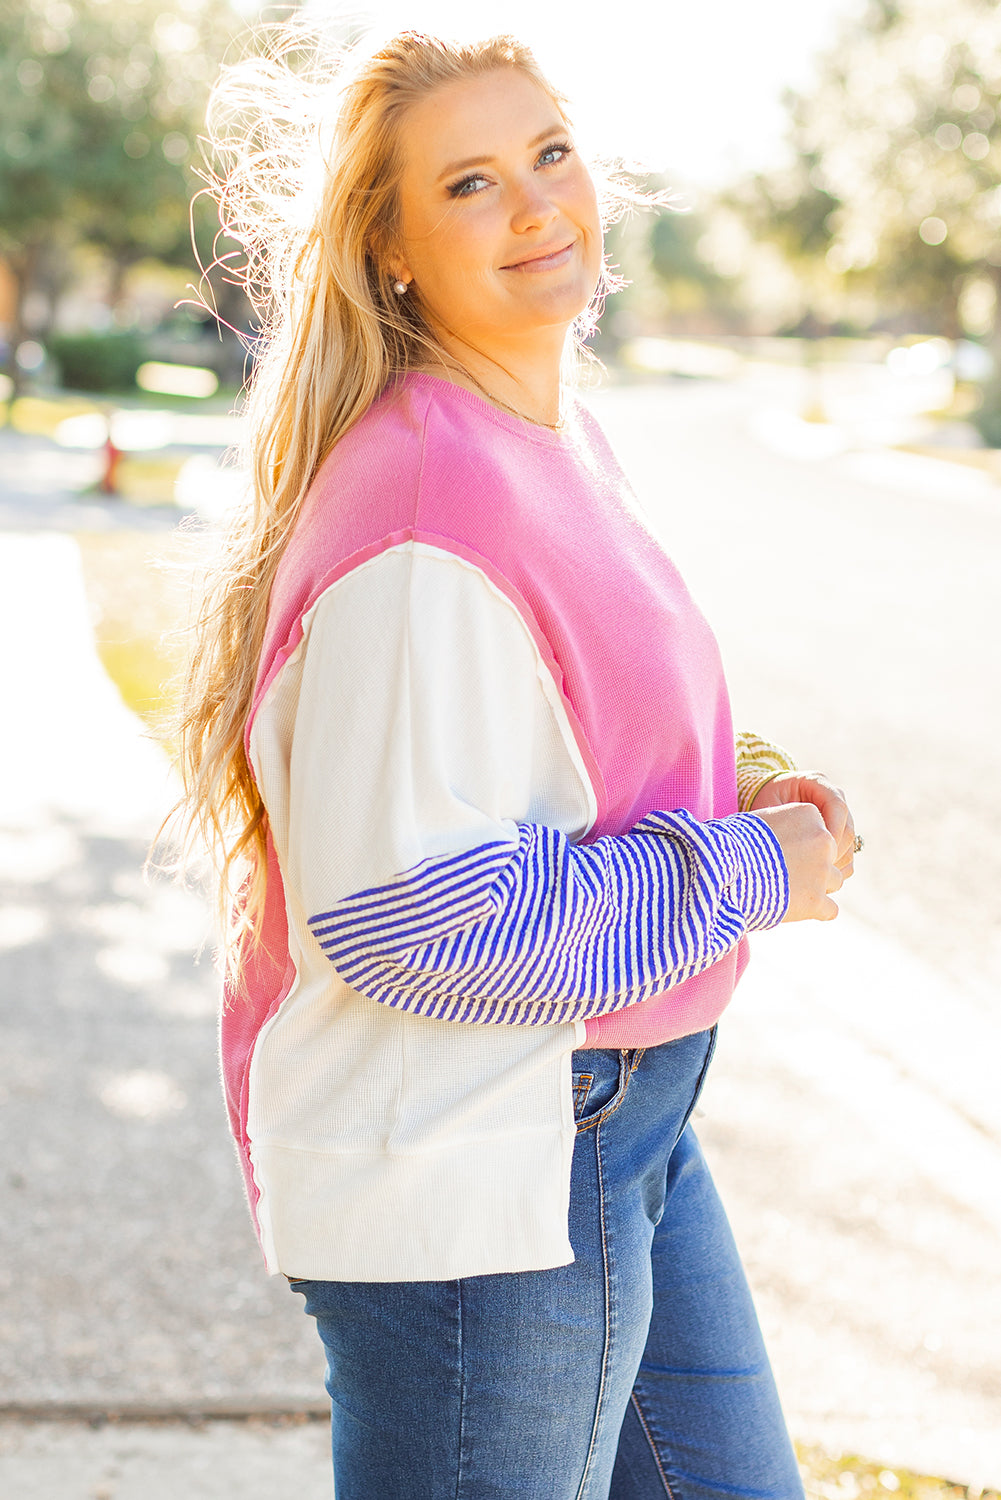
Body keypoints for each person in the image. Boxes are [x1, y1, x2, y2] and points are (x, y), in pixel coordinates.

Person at [175, 26, 858, 1500]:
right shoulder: (428, 498)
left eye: (548, 153)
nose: (539, 205)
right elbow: (415, 914)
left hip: (615, 1121)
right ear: (393, 250)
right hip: (484, 1163)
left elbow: (546, 727)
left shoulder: (543, 435)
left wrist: (732, 775)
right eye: (471, 183)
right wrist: (752, 872)